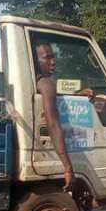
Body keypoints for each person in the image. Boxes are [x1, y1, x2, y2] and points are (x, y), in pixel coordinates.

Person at [34, 42, 75, 191]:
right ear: (35, 60)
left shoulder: (36, 82)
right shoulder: (46, 83)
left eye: (53, 57)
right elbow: (52, 124)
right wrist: (68, 167)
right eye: (47, 57)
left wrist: (77, 95)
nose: (53, 62)